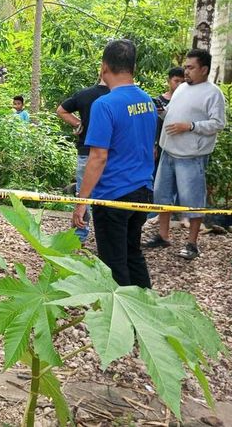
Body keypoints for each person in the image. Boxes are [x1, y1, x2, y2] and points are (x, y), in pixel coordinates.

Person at [71, 39, 156, 288]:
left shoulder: (105, 104)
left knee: (113, 263)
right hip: (143, 191)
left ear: (104, 66)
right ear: (133, 67)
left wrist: (81, 201)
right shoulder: (148, 102)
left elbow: (98, 156)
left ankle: (121, 318)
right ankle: (147, 311)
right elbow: (150, 150)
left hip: (113, 195)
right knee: (133, 253)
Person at [143, 49, 226, 260]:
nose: (185, 71)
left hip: (191, 155)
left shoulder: (213, 93)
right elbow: (170, 112)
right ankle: (163, 235)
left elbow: (218, 123)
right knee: (161, 194)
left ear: (204, 69)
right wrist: (160, 111)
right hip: (168, 150)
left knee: (192, 200)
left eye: (190, 68)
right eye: (185, 67)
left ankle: (192, 244)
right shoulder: (181, 89)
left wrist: (189, 126)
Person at [57, 77, 110, 244]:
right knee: (110, 194)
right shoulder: (119, 96)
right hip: (111, 153)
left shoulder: (85, 94)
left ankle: (79, 237)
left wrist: (78, 123)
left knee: (83, 195)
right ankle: (107, 235)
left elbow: (61, 110)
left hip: (87, 151)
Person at [153, 67, 185, 167]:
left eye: (182, 82)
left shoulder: (186, 100)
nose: (179, 84)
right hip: (160, 142)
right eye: (176, 81)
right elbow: (153, 124)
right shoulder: (159, 100)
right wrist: (153, 145)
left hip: (179, 145)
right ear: (168, 81)